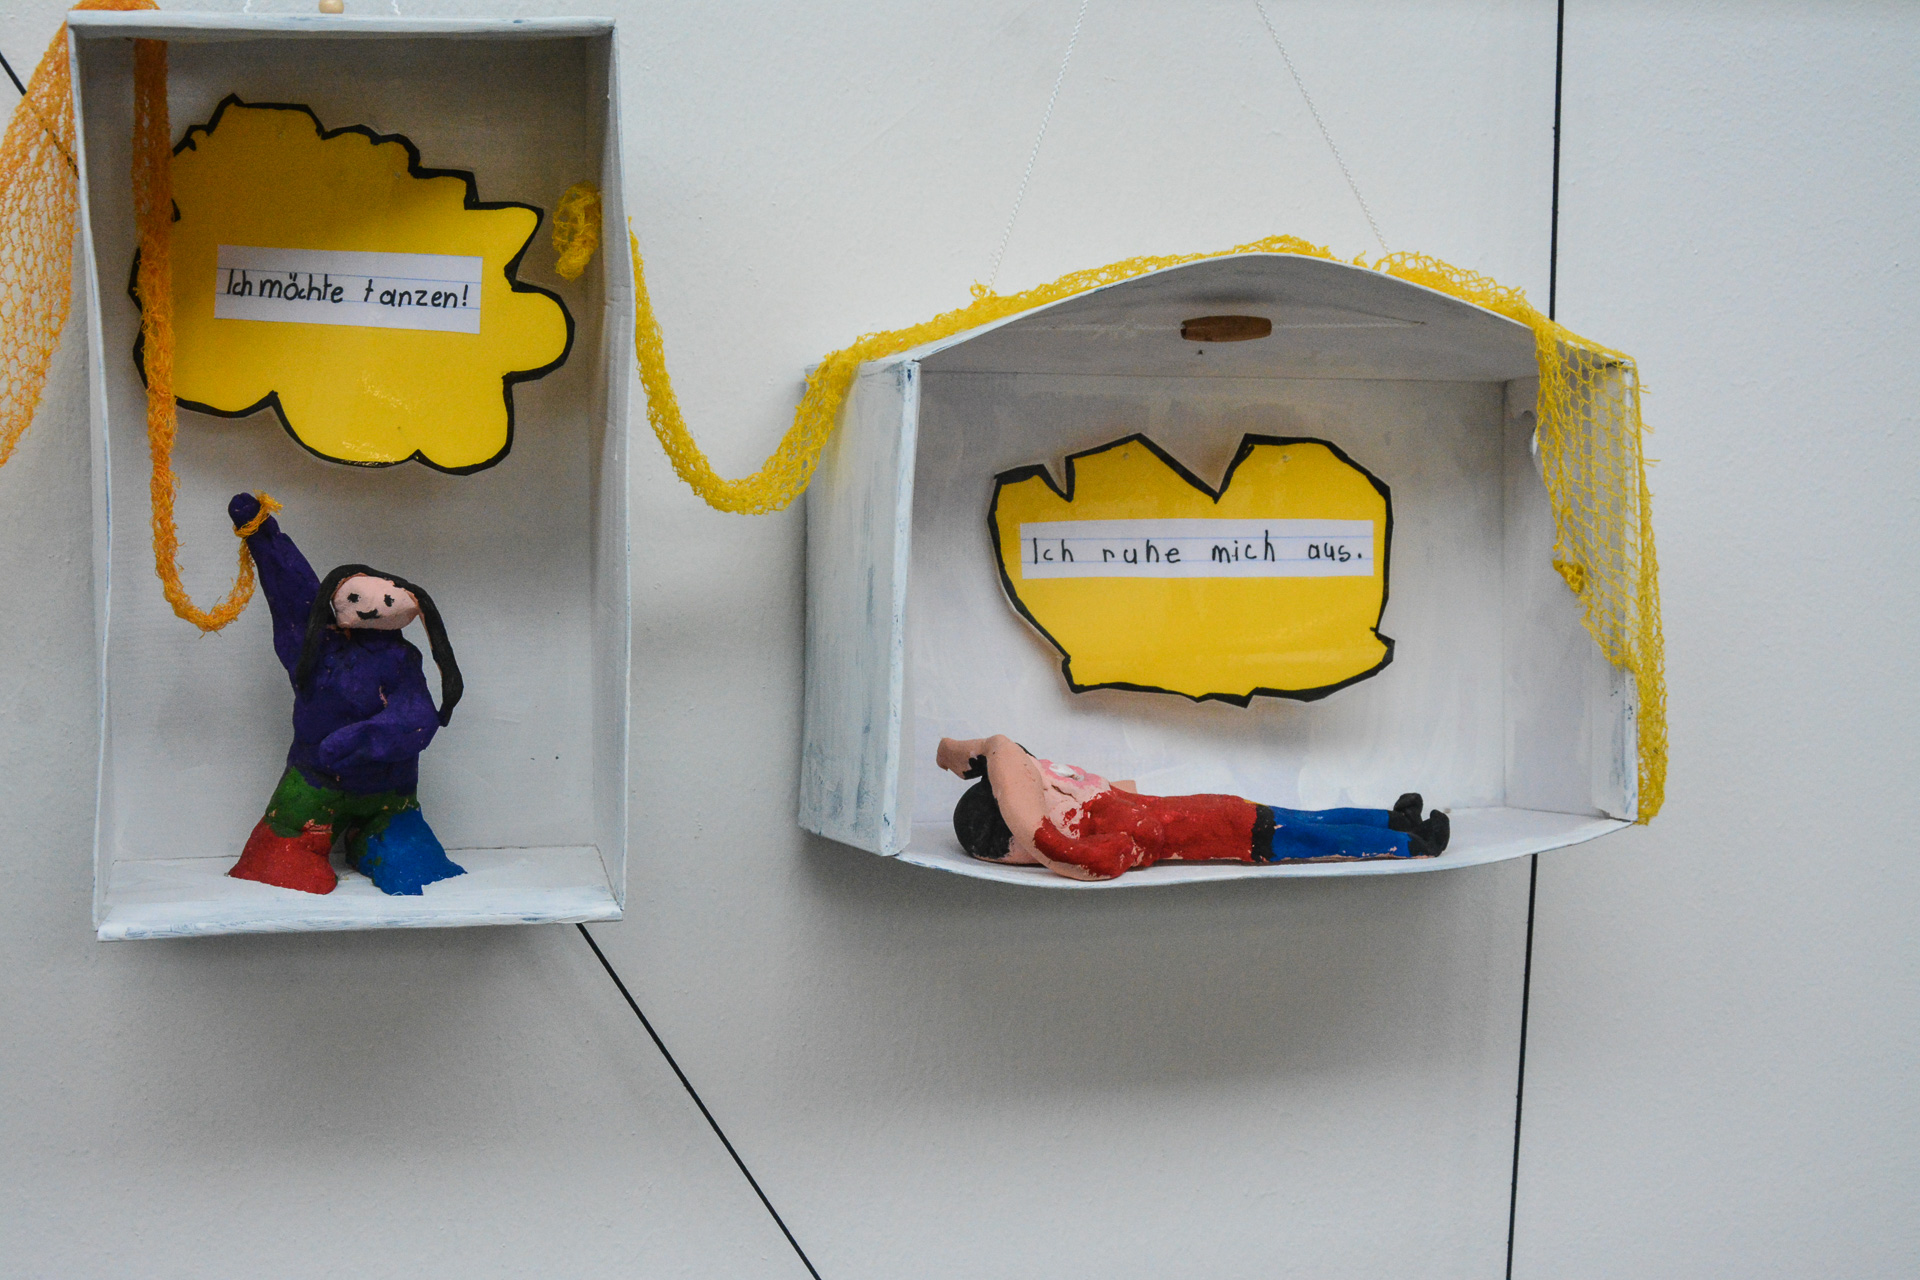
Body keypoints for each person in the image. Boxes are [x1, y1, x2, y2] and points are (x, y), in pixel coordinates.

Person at [225, 492, 466, 896]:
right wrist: (261, 535)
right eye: (355, 599)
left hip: (391, 792)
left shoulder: (404, 659)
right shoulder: (316, 645)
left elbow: (417, 716)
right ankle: (291, 844)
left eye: (385, 602)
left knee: (409, 857)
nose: (370, 609)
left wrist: (362, 739)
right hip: (313, 782)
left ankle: (379, 836)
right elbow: (293, 594)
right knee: (281, 851)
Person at [937, 735, 1449, 882]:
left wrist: (959, 753)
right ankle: (1411, 844)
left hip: (1227, 811)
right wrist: (1049, 842)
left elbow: (1007, 752)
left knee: (1308, 819)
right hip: (1238, 837)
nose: (1047, 778)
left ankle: (1393, 820)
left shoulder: (1086, 801)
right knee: (1314, 838)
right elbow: (1126, 846)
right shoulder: (1076, 835)